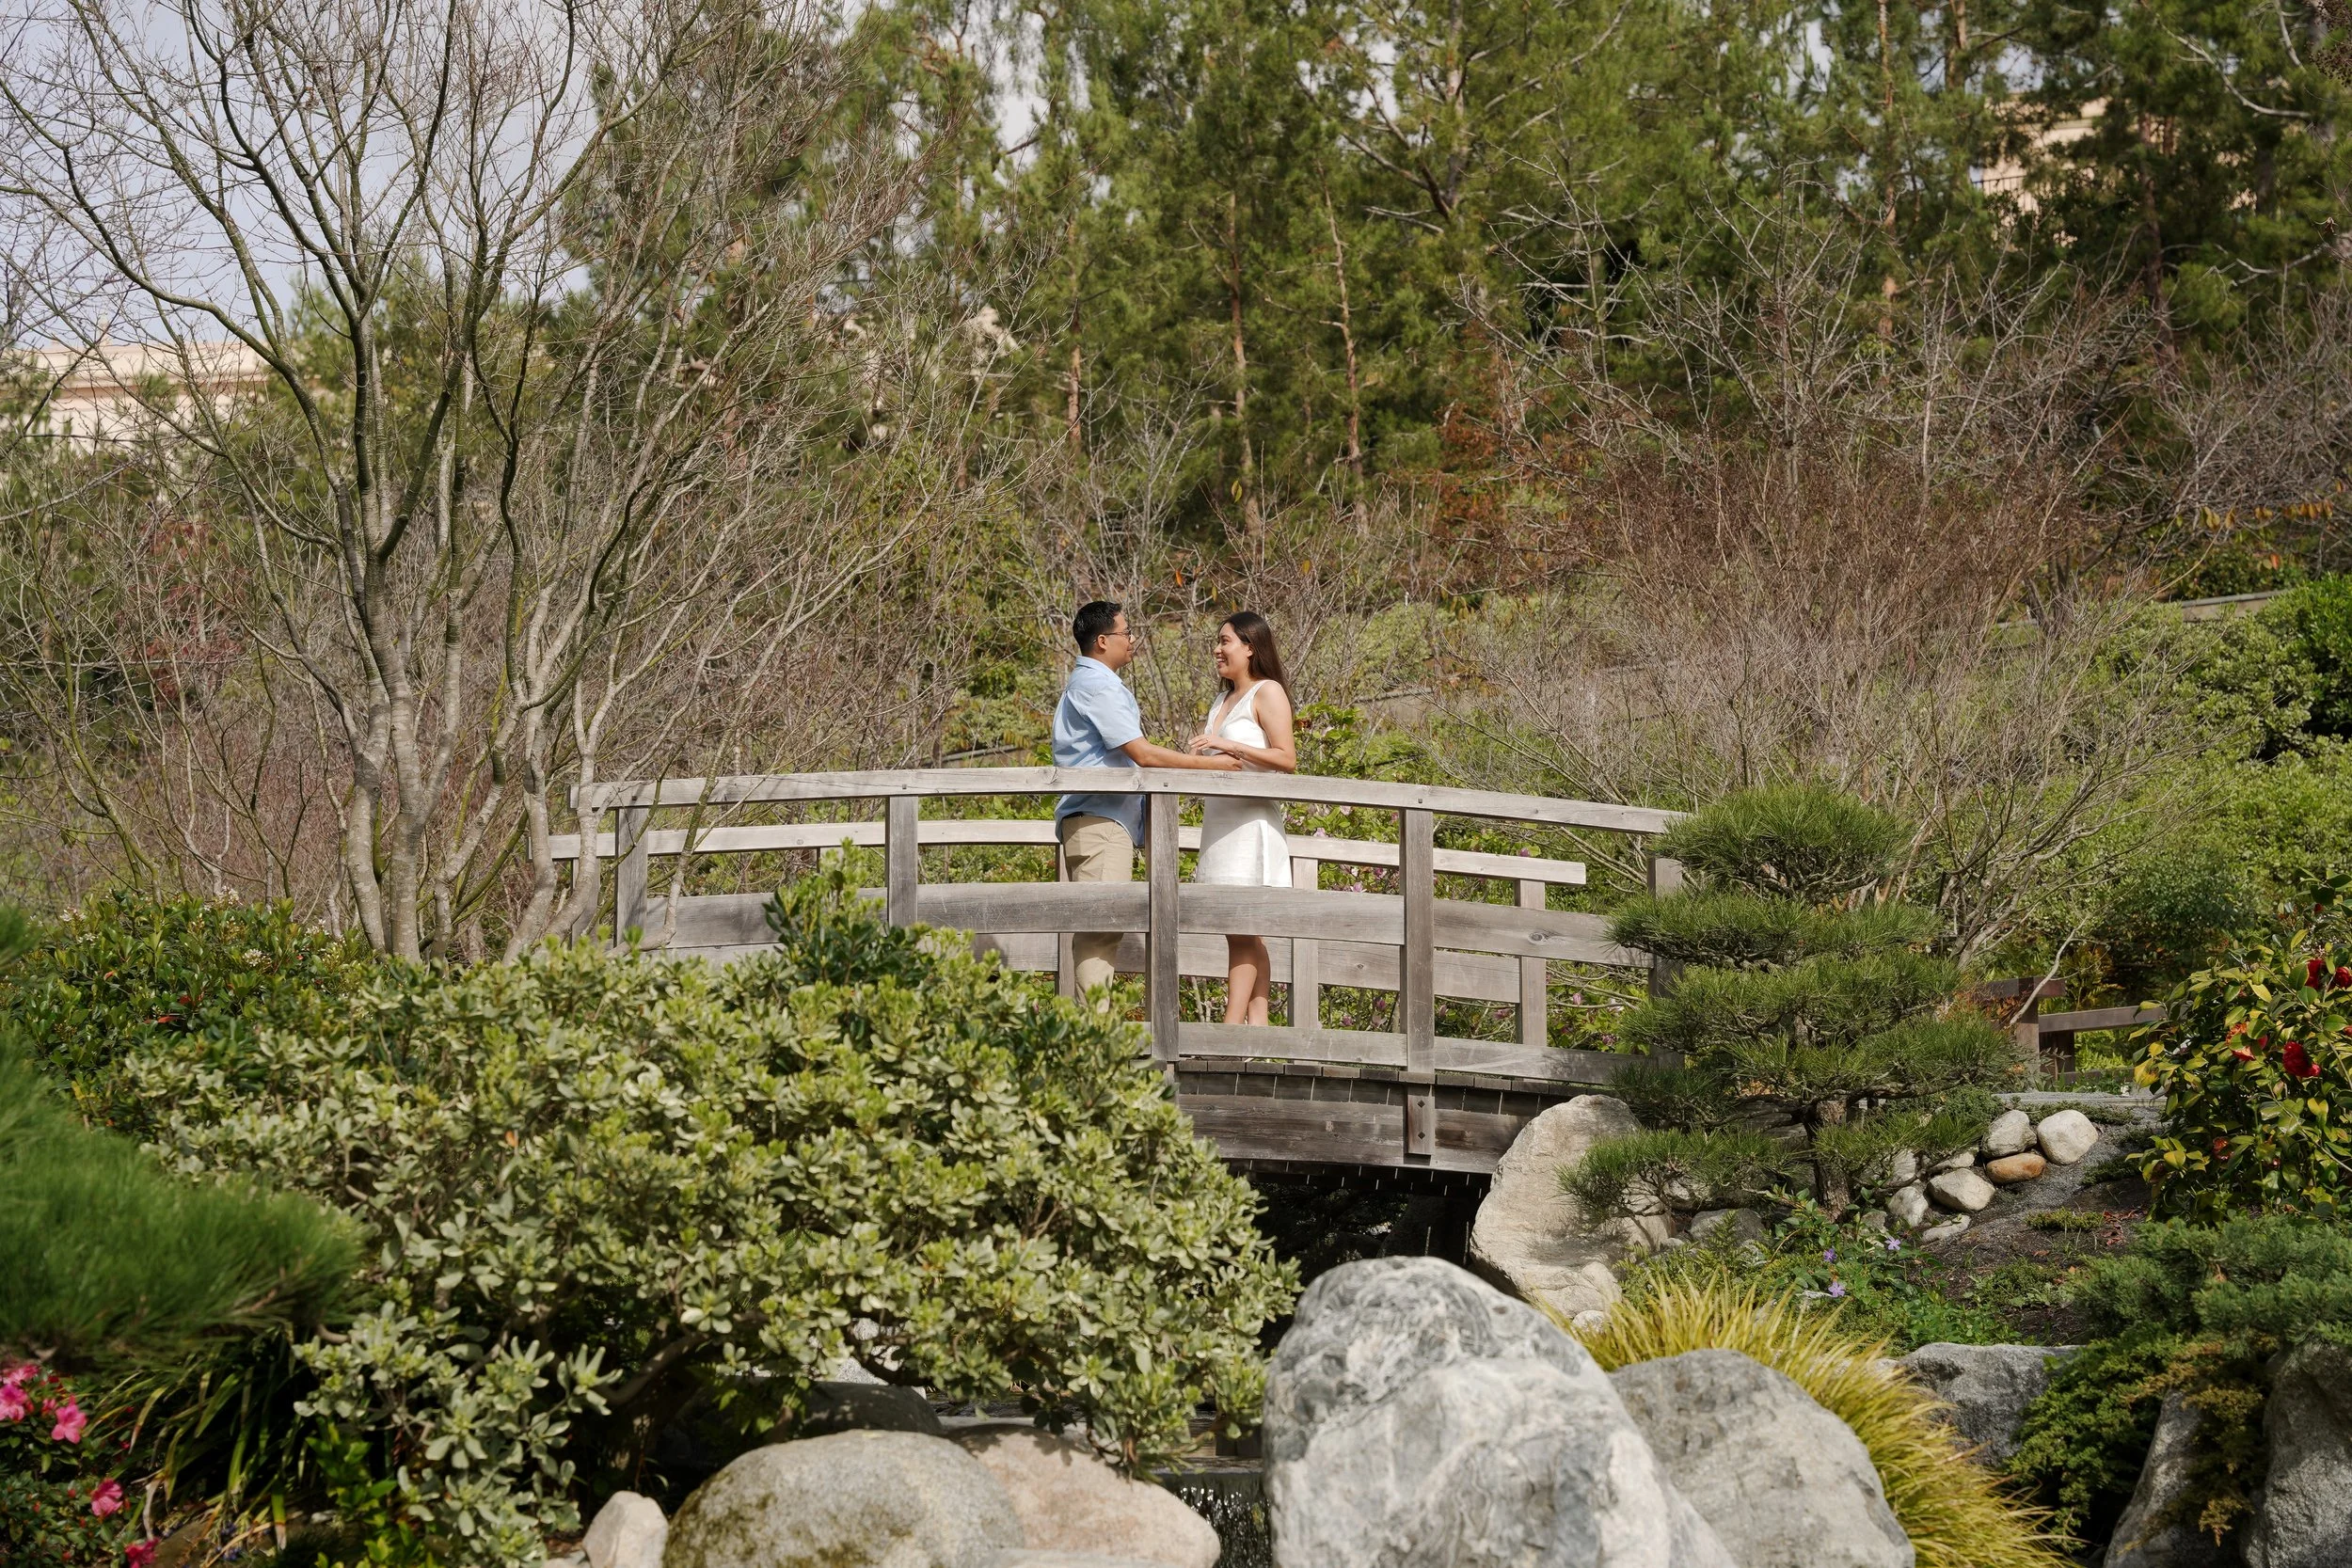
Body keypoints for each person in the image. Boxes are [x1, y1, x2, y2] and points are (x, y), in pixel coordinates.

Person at [1054, 600, 1240, 1000]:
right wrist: (1211, 766)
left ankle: (1091, 1034)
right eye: (1127, 633)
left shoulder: (1089, 683)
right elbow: (1144, 754)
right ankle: (1096, 1041)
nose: (1132, 639)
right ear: (1103, 641)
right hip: (1100, 820)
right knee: (1101, 930)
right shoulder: (1099, 685)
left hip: (1095, 820)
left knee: (1099, 928)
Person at [1186, 611, 1297, 1026]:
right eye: (1217, 641)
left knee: (1241, 927)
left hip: (1251, 827)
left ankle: (1231, 1030)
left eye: (1225, 641)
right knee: (1243, 930)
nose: (1217, 649)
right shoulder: (1222, 699)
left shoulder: (1267, 693)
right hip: (1220, 824)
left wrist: (1227, 745)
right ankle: (1261, 1028)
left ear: (1250, 647)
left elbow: (1287, 759)